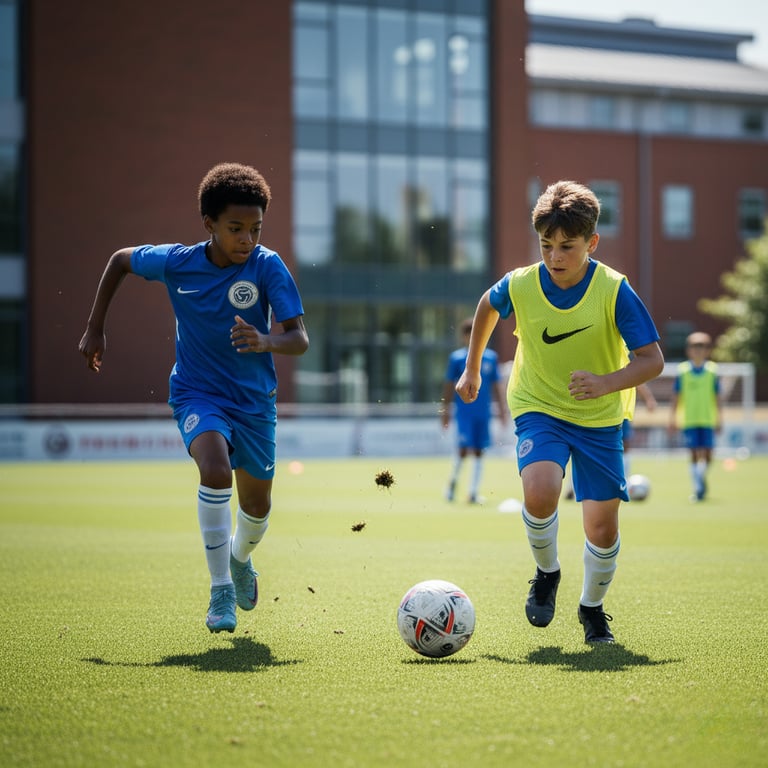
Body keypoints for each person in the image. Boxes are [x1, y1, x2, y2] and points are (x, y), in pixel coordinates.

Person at [78, 162, 309, 634]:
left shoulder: (268, 266)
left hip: (253, 402)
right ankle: (221, 588)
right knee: (215, 469)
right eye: (236, 229)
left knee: (258, 509)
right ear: (209, 224)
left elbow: (299, 338)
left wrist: (265, 341)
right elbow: (121, 259)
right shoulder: (177, 262)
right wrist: (95, 326)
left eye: (255, 229)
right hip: (196, 392)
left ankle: (240, 559)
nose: (247, 239)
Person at [455, 180, 664, 644]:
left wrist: (606, 383)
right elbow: (488, 306)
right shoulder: (522, 283)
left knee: (602, 528)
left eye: (567, 246)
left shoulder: (614, 290)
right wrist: (472, 369)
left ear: (591, 243)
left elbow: (653, 360)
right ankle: (547, 573)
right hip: (538, 405)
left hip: (599, 418)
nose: (554, 256)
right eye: (546, 245)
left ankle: (592, 609)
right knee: (541, 490)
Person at [440, 317, 508, 504]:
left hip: (482, 413)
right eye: (469, 335)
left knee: (479, 451)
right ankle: (451, 486)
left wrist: (502, 410)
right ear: (463, 337)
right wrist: (444, 412)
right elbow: (448, 386)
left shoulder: (490, 358)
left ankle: (473, 492)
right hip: (464, 414)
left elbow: (496, 386)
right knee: (462, 450)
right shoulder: (457, 359)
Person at [668, 331, 721, 501]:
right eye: (694, 346)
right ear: (688, 350)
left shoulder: (713, 371)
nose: (698, 350)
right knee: (692, 453)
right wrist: (672, 418)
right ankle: (697, 487)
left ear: (708, 350)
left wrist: (720, 419)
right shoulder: (682, 371)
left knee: (708, 454)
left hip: (707, 419)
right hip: (689, 419)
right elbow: (676, 397)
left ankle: (701, 478)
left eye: (702, 346)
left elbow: (717, 397)